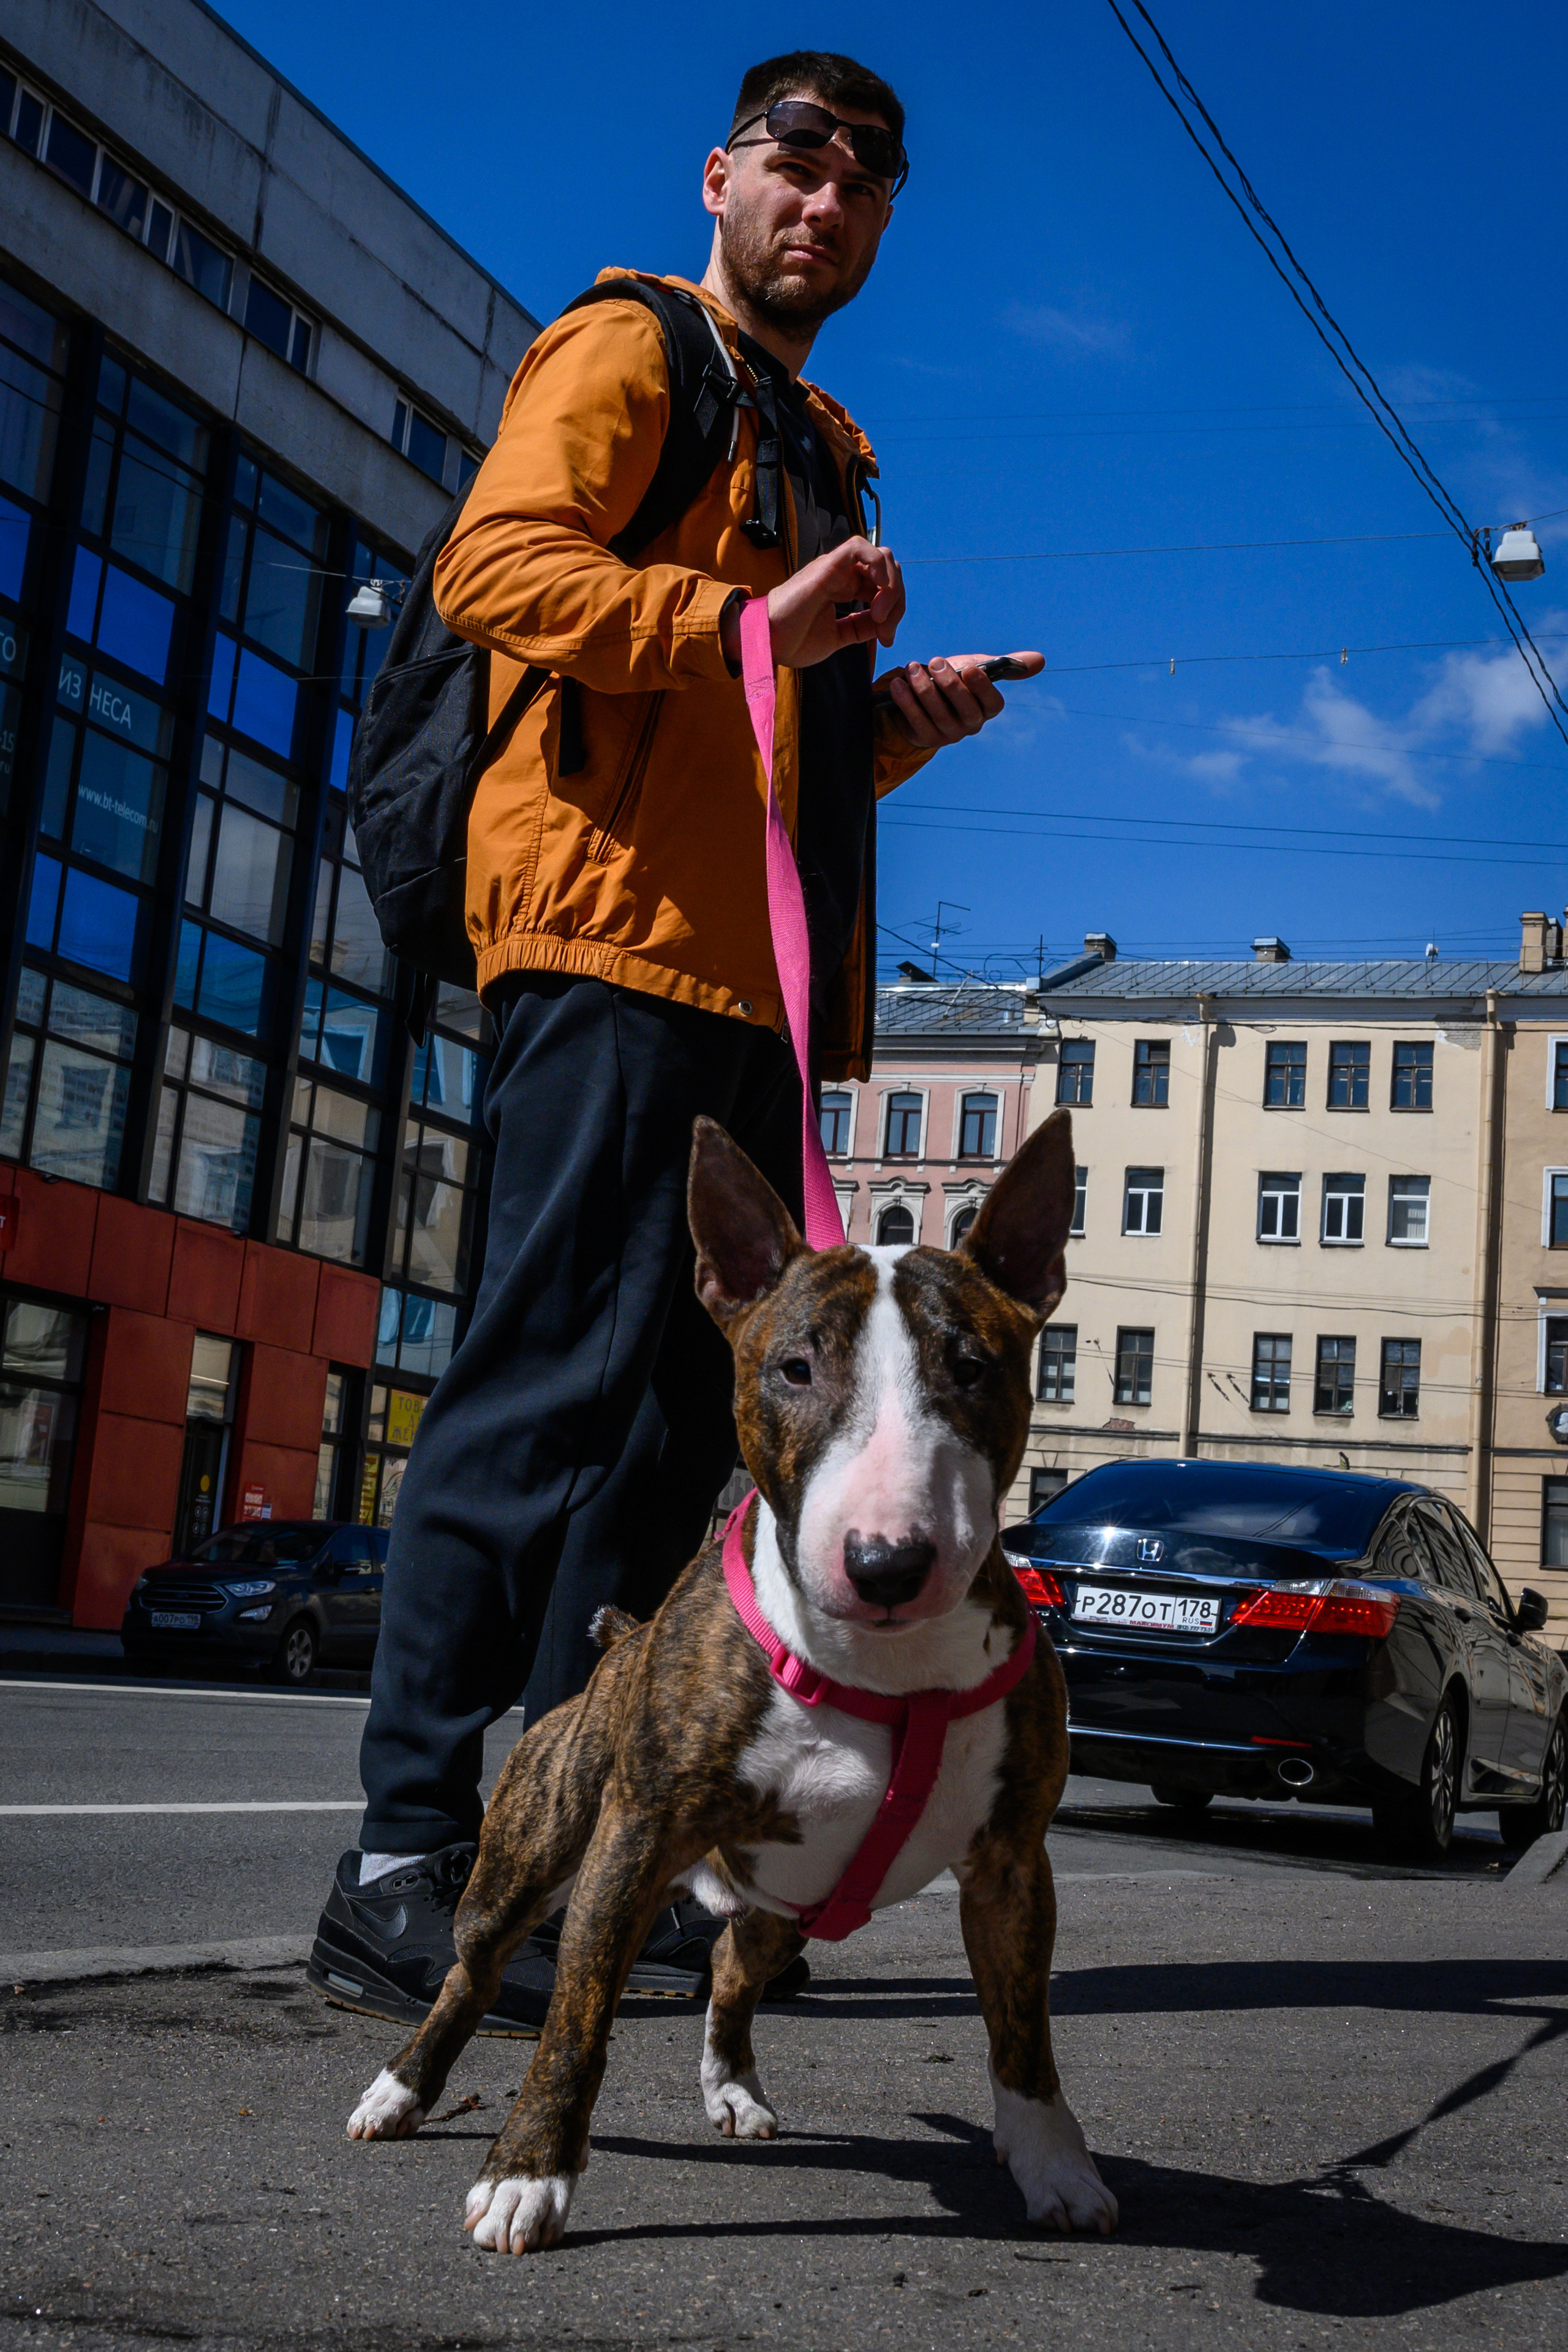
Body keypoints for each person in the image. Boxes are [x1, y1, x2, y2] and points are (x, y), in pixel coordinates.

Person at [310, 50, 1043, 2028]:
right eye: (799, 165)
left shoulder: (823, 442)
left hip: (743, 992)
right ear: (724, 177)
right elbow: (496, 568)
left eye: (870, 186)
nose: (831, 203)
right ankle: (398, 1855)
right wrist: (757, 620)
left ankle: (557, 1857)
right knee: (538, 1392)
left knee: (658, 1452)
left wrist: (893, 716)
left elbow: (764, 748)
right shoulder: (639, 348)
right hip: (603, 947)